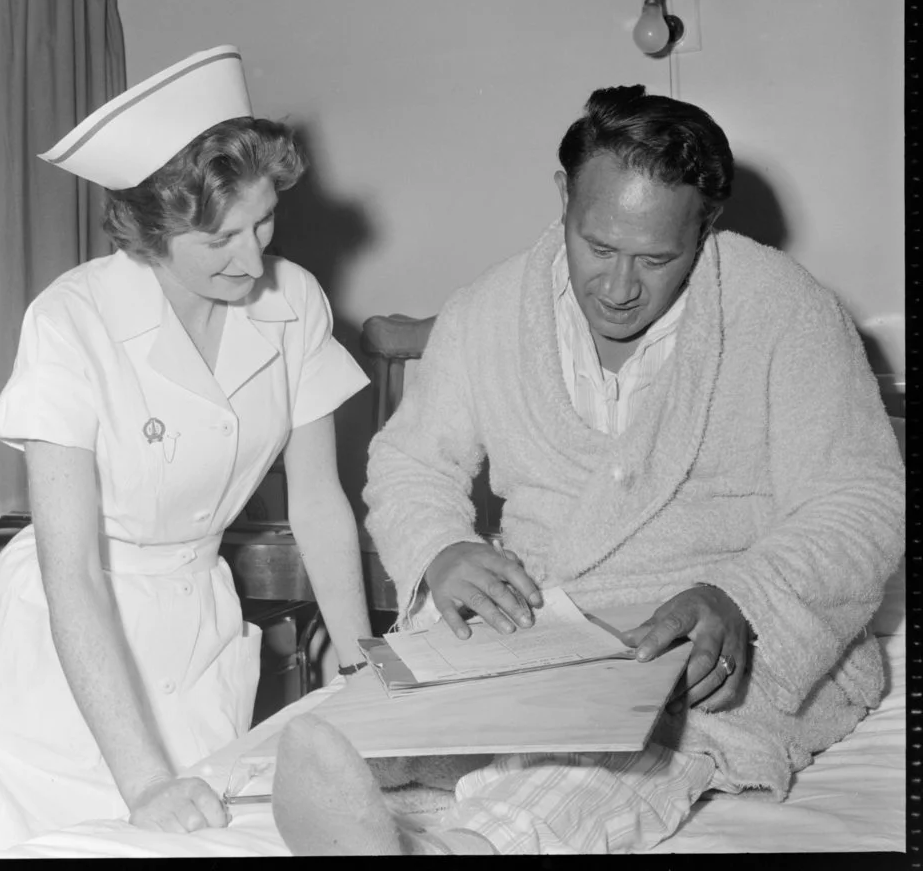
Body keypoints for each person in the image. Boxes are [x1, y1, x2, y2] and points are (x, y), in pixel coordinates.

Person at [270, 84, 905, 855]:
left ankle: (458, 848)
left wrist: (744, 597)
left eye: (656, 258)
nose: (618, 286)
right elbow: (409, 464)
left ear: (707, 226)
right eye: (598, 247)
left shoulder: (785, 309)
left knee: (627, 754)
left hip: (705, 643)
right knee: (365, 736)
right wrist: (440, 546)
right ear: (564, 195)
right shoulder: (487, 311)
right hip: (542, 628)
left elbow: (862, 499)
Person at [0, 45, 373, 857]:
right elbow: (74, 572)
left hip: (195, 628)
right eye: (220, 239)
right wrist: (143, 782)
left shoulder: (295, 300)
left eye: (264, 220)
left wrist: (361, 677)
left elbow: (318, 502)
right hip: (63, 657)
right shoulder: (71, 322)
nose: (253, 260)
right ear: (151, 230)